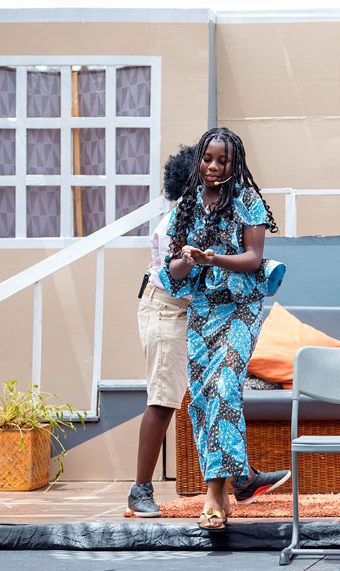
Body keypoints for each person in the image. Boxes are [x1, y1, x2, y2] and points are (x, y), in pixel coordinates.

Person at [161, 127, 291, 532]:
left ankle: (216, 494)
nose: (214, 167)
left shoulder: (247, 200)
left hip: (240, 308)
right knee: (202, 397)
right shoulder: (187, 204)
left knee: (224, 386)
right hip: (202, 310)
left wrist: (214, 258)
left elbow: (253, 258)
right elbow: (173, 271)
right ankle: (237, 481)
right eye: (208, 159)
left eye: (223, 160)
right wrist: (188, 259)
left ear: (236, 163)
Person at [127, 145, 198, 517]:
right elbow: (175, 275)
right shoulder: (177, 219)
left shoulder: (209, 213)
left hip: (192, 310)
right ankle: (139, 490)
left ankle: (243, 477)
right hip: (167, 308)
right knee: (164, 397)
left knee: (212, 394)